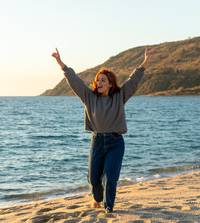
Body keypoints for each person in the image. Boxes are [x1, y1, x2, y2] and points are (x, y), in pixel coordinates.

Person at [51, 47, 153, 213]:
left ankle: (109, 208)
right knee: (93, 179)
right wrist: (60, 63)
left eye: (103, 80)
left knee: (110, 178)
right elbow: (74, 80)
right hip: (97, 141)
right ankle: (97, 199)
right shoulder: (89, 97)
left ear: (110, 84)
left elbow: (133, 80)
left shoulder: (120, 96)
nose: (98, 83)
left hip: (116, 143)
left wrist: (145, 62)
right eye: (98, 80)